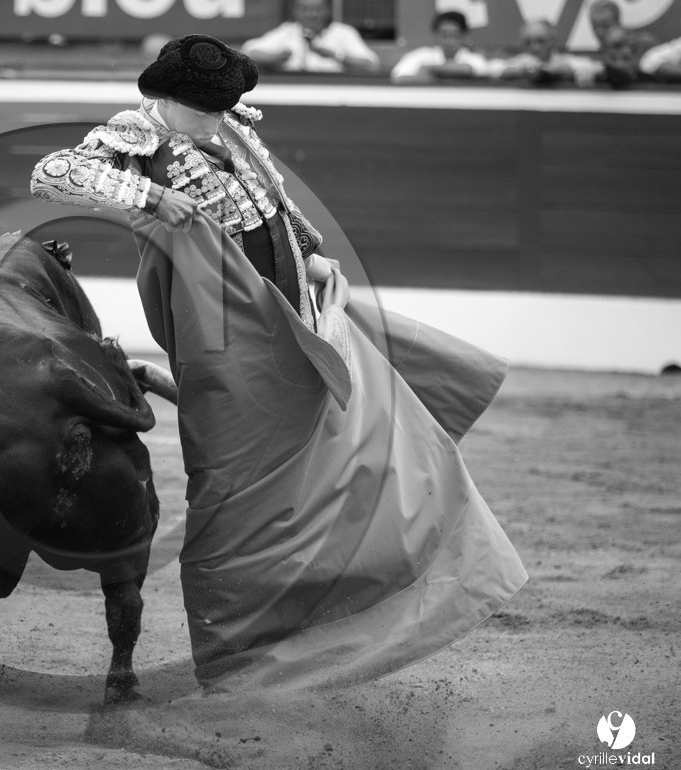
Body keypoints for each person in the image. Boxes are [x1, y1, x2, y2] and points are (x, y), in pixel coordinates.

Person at [30, 34, 526, 691]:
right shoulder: (132, 134)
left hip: (285, 303)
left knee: (354, 422)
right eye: (206, 108)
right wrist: (149, 198)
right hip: (224, 323)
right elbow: (49, 173)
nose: (217, 118)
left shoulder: (228, 128)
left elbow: (274, 205)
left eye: (222, 108)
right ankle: (242, 656)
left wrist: (310, 252)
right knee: (240, 472)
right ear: (168, 98)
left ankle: (348, 582)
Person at [241, 0, 379, 74]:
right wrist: (274, 58)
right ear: (295, 11)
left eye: (317, 9)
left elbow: (371, 65)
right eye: (305, 10)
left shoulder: (343, 33)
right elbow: (248, 53)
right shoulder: (287, 31)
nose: (311, 15)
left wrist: (336, 56)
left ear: (327, 10)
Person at [390, 10, 493, 83]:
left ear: (464, 35)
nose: (449, 40)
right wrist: (436, 80)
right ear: (435, 35)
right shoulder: (421, 55)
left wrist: (429, 69)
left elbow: (469, 70)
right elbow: (399, 78)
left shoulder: (474, 58)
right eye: (444, 35)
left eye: (454, 35)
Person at [494, 19, 602, 87]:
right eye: (528, 42)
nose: (535, 47)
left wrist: (576, 70)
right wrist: (519, 72)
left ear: (553, 41)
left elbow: (598, 67)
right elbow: (493, 69)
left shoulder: (565, 61)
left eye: (541, 41)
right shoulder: (520, 62)